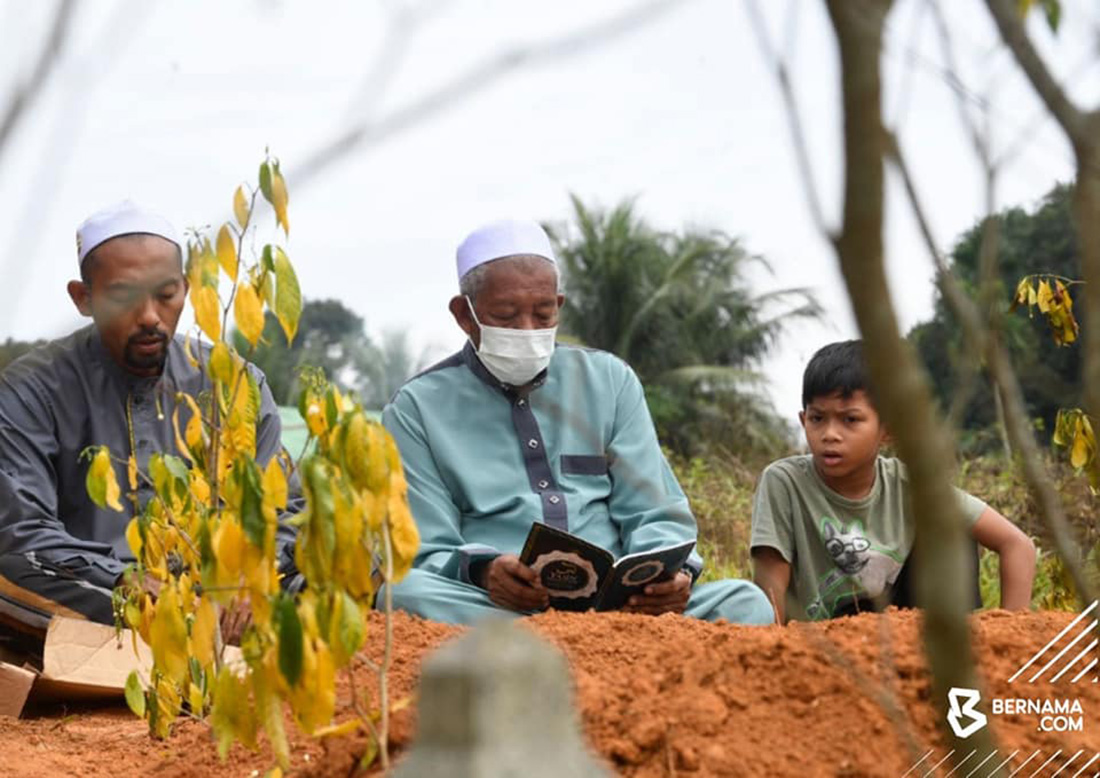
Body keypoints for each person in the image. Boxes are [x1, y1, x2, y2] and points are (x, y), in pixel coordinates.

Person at [381, 218, 774, 626]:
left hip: (623, 608)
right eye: (506, 315)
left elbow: (656, 512)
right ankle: (559, 649)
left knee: (746, 602)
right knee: (403, 595)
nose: (527, 329)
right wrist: (484, 571)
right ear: (465, 315)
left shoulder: (610, 381)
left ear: (559, 307)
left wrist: (671, 578)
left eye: (542, 313)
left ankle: (556, 652)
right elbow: (425, 546)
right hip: (497, 606)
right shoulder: (416, 410)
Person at [0, 201, 299, 658]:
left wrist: (252, 576)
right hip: (97, 597)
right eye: (124, 296)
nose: (150, 316)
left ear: (186, 290)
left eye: (166, 294)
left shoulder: (233, 382)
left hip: (222, 598)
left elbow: (285, 510)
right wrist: (124, 581)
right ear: (83, 298)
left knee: (349, 551)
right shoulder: (30, 390)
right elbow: (25, 534)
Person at [750, 340, 1036, 622]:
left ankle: (951, 642)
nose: (830, 434)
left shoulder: (910, 485)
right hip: (821, 642)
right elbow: (771, 600)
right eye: (817, 418)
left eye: (850, 420)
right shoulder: (784, 482)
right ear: (803, 420)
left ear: (887, 430)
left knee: (952, 527)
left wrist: (1010, 630)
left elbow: (1017, 544)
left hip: (901, 628)